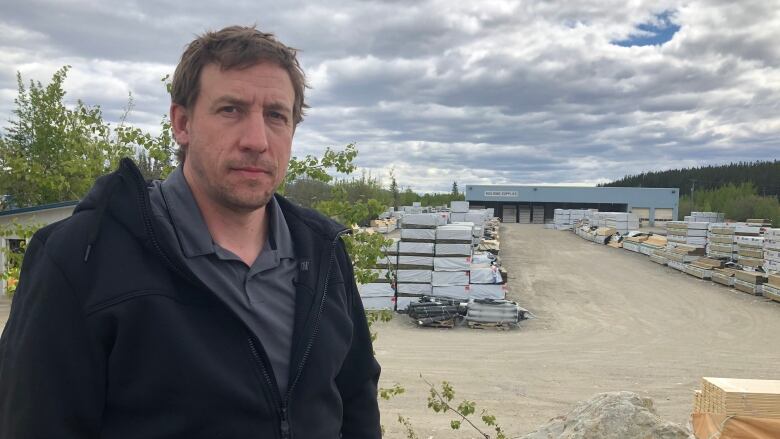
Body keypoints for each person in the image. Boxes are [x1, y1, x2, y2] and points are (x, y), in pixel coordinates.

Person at [0, 26, 381, 439]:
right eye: (231, 109)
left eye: (276, 115)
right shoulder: (81, 257)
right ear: (182, 123)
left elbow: (357, 398)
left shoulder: (322, 252)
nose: (257, 140)